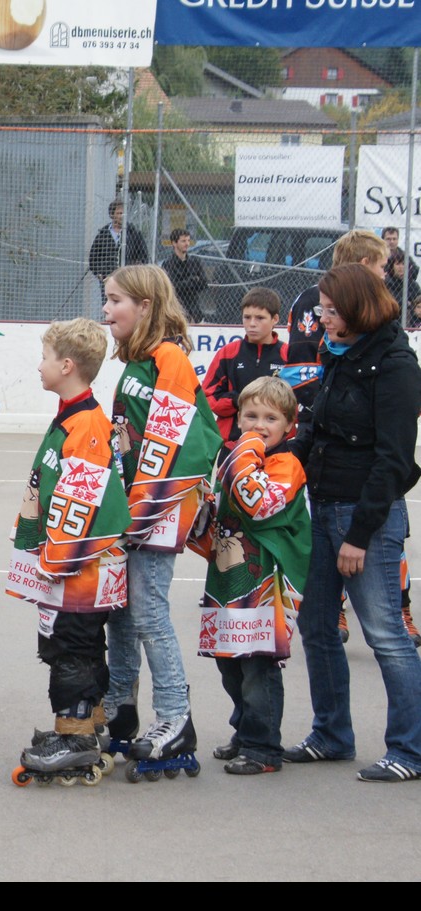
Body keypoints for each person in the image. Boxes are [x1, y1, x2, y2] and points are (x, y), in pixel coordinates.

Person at [284, 263, 421, 782]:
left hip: (365, 519)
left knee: (386, 635)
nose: (321, 318)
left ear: (358, 309)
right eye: (322, 308)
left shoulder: (395, 364)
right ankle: (331, 735)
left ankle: (410, 750)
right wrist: (270, 467)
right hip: (321, 507)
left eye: (331, 310)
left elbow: (393, 460)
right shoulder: (339, 353)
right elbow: (316, 430)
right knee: (316, 627)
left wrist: (359, 536)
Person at [103, 264, 220, 764]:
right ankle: (119, 707)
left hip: (160, 504)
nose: (106, 310)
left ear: (146, 305)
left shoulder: (168, 358)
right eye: (107, 299)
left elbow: (167, 444)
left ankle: (175, 717)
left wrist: (139, 512)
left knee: (148, 611)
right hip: (136, 505)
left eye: (116, 300)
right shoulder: (138, 360)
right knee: (120, 612)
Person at [6, 318, 130, 782]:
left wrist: (52, 562)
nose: (38, 366)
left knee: (70, 646)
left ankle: (75, 738)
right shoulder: (71, 417)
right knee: (79, 643)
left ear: (67, 365)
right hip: (75, 565)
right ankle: (88, 724)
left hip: (82, 569)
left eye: (44, 358)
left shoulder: (87, 426)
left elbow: (79, 506)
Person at [189, 376, 308, 775]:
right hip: (228, 579)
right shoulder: (234, 459)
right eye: (251, 416)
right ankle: (244, 730)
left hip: (267, 583)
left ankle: (263, 747)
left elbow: (260, 505)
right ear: (238, 418)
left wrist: (246, 452)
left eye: (270, 418)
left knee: (258, 666)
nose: (259, 425)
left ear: (289, 425)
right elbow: (217, 518)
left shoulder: (285, 465)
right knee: (229, 663)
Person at [284, 230, 388, 418]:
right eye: (382, 267)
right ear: (365, 264)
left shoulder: (374, 303)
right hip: (323, 419)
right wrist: (331, 412)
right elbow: (299, 372)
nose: (384, 275)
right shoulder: (313, 299)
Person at [201, 288, 287, 445]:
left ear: (275, 319)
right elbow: (208, 397)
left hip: (276, 445)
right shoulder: (228, 353)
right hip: (232, 443)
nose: (252, 324)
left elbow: (296, 403)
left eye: (260, 318)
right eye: (247, 317)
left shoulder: (287, 355)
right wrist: (238, 400)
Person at [88, 199, 148, 298]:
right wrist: (99, 273)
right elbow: (93, 258)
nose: (122, 216)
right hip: (108, 278)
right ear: (112, 215)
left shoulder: (134, 233)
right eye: (119, 213)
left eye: (124, 213)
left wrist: (135, 272)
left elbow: (143, 256)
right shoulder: (103, 234)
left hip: (128, 279)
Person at [161, 228, 207, 316]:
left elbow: (204, 284)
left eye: (188, 240)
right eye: (183, 241)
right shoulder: (168, 264)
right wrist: (192, 281)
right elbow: (171, 287)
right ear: (174, 243)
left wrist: (185, 283)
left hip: (194, 308)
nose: (187, 244)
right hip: (176, 309)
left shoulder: (195, 262)